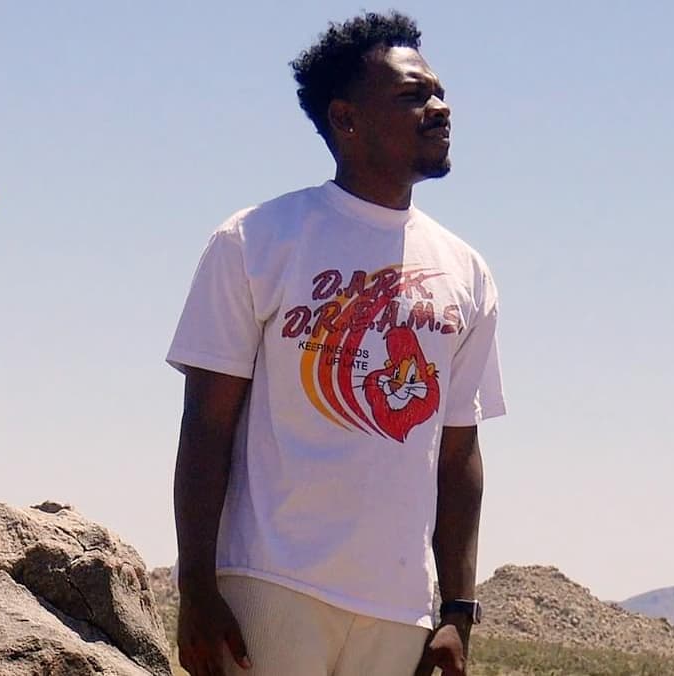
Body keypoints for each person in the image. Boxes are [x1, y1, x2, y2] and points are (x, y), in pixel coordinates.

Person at [167, 12, 503, 676]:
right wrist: (197, 588)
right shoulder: (257, 241)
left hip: (398, 611)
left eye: (439, 93)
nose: (440, 109)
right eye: (413, 95)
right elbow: (206, 426)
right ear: (346, 119)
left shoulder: (466, 272)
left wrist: (457, 612)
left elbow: (458, 451)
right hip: (271, 587)